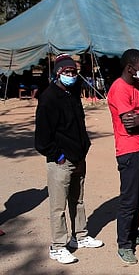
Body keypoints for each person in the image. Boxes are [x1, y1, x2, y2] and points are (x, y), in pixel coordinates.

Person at [35, 54, 103, 264]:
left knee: (78, 200)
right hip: (61, 162)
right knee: (58, 206)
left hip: (79, 157)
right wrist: (59, 156)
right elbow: (42, 139)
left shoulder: (73, 94)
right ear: (58, 74)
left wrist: (84, 149)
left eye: (74, 72)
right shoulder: (48, 99)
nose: (71, 75)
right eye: (67, 72)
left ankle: (79, 236)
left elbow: (79, 126)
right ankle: (57, 246)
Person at [107, 48, 139, 265]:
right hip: (128, 151)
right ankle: (124, 244)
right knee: (128, 200)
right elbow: (129, 122)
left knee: (137, 197)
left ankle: (134, 234)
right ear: (129, 68)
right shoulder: (119, 89)